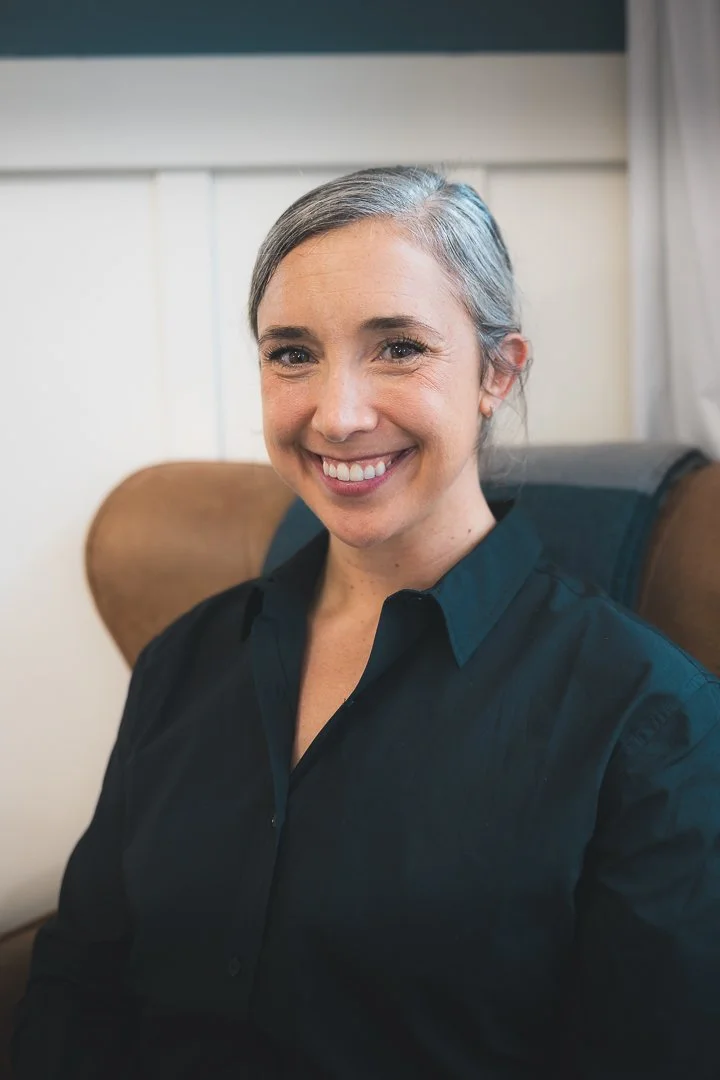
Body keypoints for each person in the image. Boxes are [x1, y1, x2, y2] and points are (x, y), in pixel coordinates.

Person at [12, 167, 720, 1079]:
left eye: (397, 347)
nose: (337, 416)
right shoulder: (184, 658)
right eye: (293, 353)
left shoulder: (652, 719)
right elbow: (77, 990)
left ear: (496, 373)